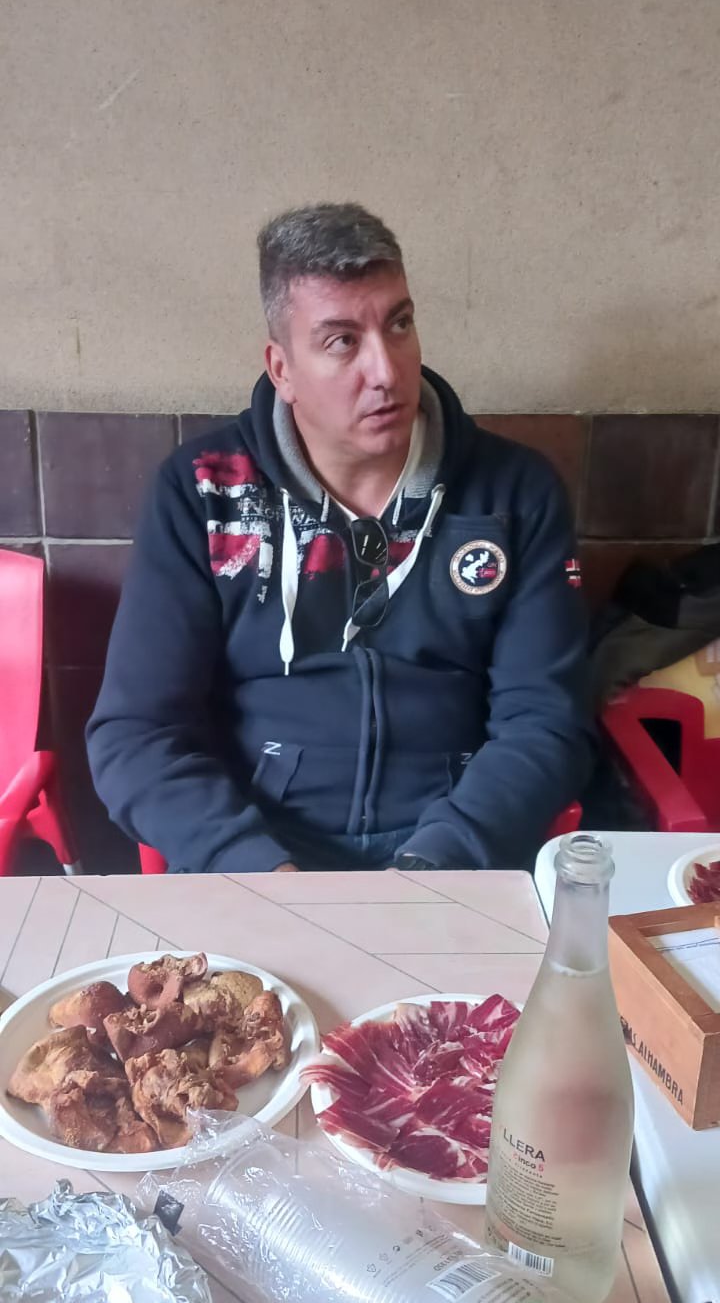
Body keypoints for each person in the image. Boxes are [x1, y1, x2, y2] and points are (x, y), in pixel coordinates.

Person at [87, 203, 594, 873]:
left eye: (399, 324)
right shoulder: (204, 491)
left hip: (455, 849)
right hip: (260, 850)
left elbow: (547, 722)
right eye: (341, 342)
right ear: (282, 370)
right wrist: (256, 869)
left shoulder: (514, 491)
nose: (386, 370)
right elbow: (135, 734)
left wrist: (436, 865)